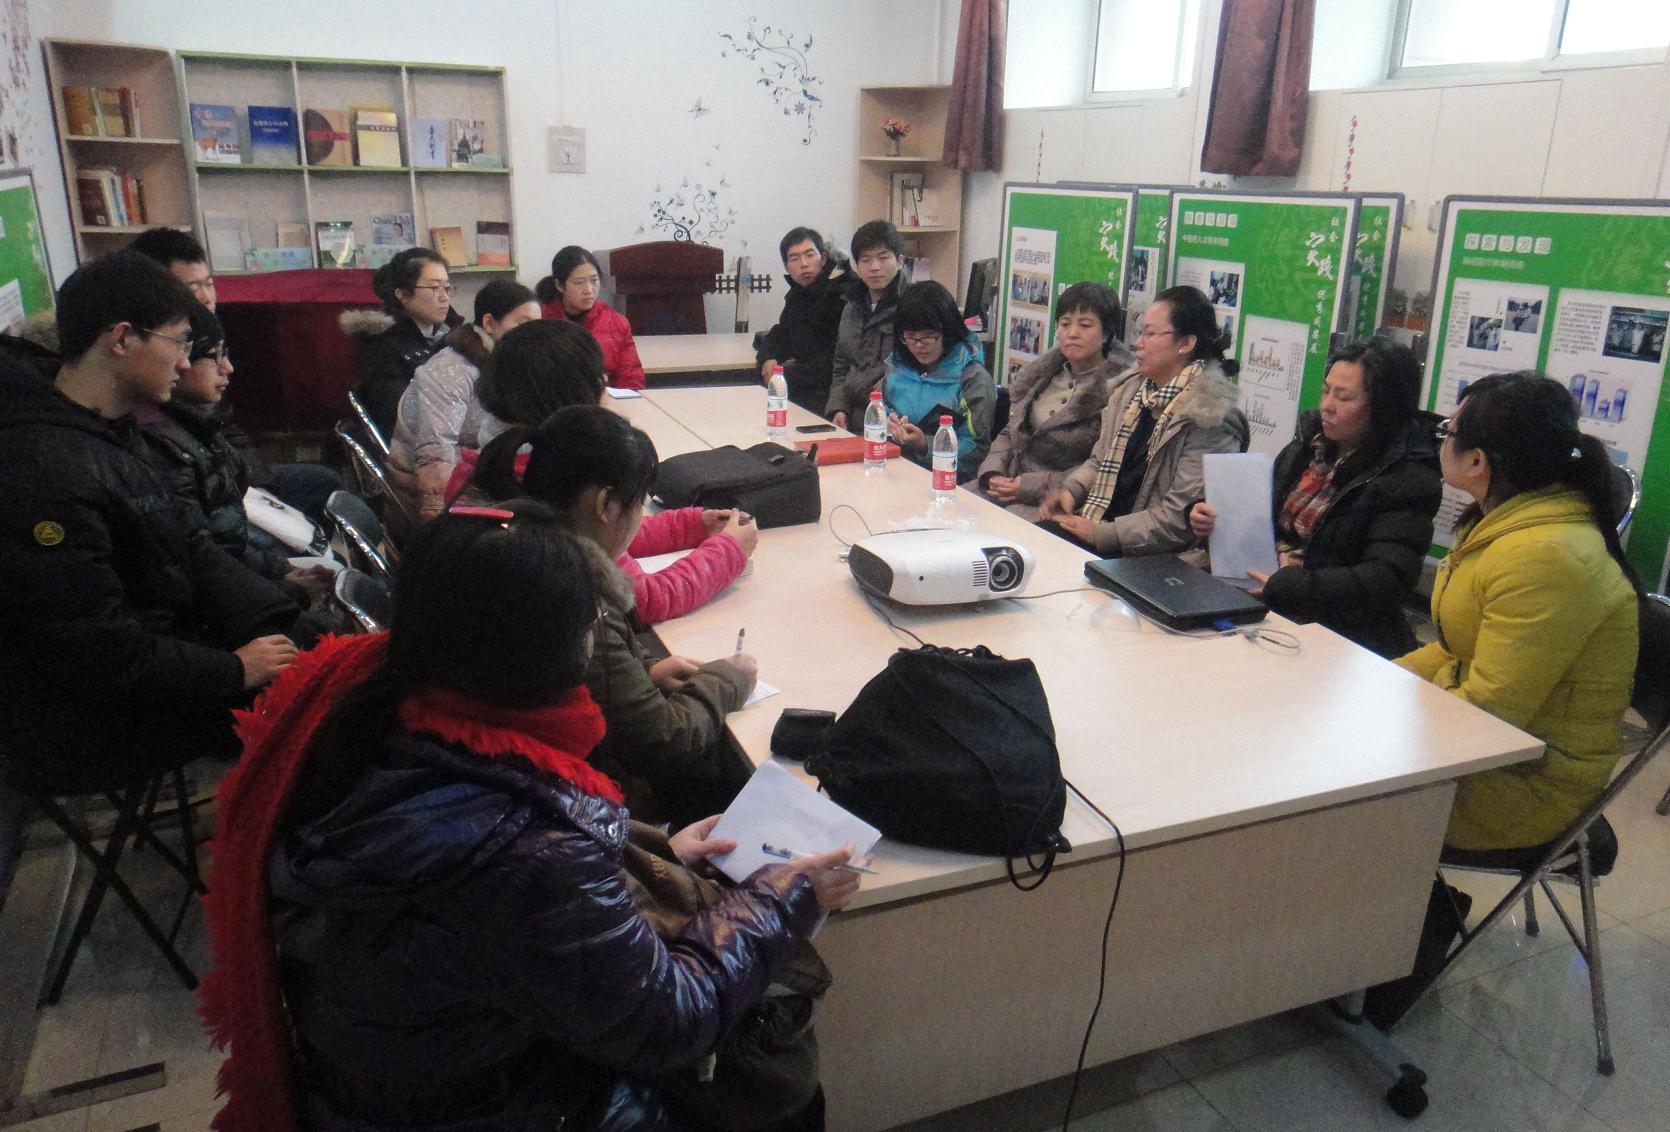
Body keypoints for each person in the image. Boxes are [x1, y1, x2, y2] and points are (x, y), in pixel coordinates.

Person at [198, 504, 856, 1131]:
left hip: (393, 1083)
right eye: (591, 624)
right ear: (545, 654)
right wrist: (781, 897)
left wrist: (656, 853)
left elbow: (504, 887)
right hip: (501, 1106)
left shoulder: (368, 718)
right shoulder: (522, 849)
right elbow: (668, 1023)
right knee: (781, 1089)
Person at [1362, 372, 1641, 1029]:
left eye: (1447, 431)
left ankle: (1372, 954)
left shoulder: (1547, 556)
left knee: (1334, 794)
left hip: (1531, 781)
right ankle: (1368, 938)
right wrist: (1367, 684)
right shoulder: (1510, 523)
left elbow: (1489, 715)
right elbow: (1457, 651)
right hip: (1505, 751)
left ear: (1478, 462)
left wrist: (1385, 705)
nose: (1441, 440)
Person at [0, 252, 300, 796]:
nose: (186, 364)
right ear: (122, 339)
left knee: (331, 655)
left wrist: (281, 608)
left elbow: (187, 541)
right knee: (332, 708)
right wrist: (234, 670)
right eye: (180, 342)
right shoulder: (46, 470)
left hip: (161, 657)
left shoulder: (107, 428)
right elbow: (92, 650)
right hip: (89, 724)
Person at [470, 406, 757, 825]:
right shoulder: (577, 597)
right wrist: (727, 679)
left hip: (508, 771)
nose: (640, 517)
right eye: (638, 503)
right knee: (729, 768)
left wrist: (645, 670)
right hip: (570, 800)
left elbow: (593, 678)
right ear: (605, 504)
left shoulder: (521, 542)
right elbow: (665, 741)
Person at [1185, 339, 1441, 657]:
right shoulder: (1308, 447)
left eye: (1343, 397)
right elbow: (1258, 517)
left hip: (1336, 636)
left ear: (1383, 406)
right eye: (1325, 391)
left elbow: (1386, 579)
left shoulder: (1409, 478)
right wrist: (1205, 517)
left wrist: (1290, 585)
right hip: (1265, 604)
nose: (1327, 406)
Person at [470, 401, 759, 627]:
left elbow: (630, 533)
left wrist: (695, 525)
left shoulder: (555, 518)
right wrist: (729, 550)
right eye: (637, 502)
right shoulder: (576, 566)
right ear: (605, 504)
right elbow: (651, 598)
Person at [129, 226, 342, 522]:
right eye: (192, 288)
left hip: (231, 478)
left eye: (209, 284)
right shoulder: (159, 367)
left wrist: (259, 489)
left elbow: (227, 434)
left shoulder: (206, 335)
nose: (206, 298)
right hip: (216, 493)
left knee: (320, 484)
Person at [135, 301, 335, 615]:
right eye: (213, 355)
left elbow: (226, 539)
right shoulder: (156, 438)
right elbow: (202, 561)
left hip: (237, 563)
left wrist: (280, 569)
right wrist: (287, 589)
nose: (227, 367)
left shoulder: (199, 418)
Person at [1039, 285, 1248, 557]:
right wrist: (1071, 492)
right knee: (1034, 542)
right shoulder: (1131, 391)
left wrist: (1102, 534)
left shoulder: (1209, 416)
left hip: (1150, 555)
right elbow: (1100, 461)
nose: (1138, 343)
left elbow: (1178, 519)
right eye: (1141, 332)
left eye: (1150, 334)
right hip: (1102, 528)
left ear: (1186, 343)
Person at [976, 282, 1136, 520]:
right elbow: (1011, 431)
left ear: (1106, 333)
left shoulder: (1120, 390)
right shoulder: (1041, 376)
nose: (1072, 333)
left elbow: (1100, 465)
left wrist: (1027, 487)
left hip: (1058, 500)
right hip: (1007, 484)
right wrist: (992, 472)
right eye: (1065, 323)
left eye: (1085, 325)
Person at [387, 279, 541, 521]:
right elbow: (435, 462)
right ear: (489, 323)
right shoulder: (451, 369)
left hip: (476, 476)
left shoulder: (507, 362)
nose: (534, 335)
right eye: (523, 324)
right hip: (432, 495)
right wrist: (438, 521)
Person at [445, 318, 609, 499]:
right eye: (598, 378)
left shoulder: (475, 471)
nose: (605, 382)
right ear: (572, 394)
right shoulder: (579, 482)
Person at [879, 280, 996, 483]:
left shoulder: (972, 378)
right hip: (897, 467)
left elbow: (976, 449)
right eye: (910, 337)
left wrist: (926, 445)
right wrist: (890, 424)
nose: (919, 346)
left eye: (928, 337)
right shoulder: (897, 366)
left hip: (948, 479)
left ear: (947, 331)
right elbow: (883, 409)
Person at [343, 247, 462, 439]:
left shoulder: (453, 336)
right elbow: (404, 412)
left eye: (447, 288)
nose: (444, 297)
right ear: (402, 294)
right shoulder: (381, 344)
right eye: (434, 288)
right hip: (412, 443)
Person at [756, 226, 848, 412]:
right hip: (805, 383)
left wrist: (786, 374)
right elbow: (782, 332)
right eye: (794, 258)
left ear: (823, 259)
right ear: (786, 266)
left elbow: (833, 357)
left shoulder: (841, 293)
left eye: (809, 255)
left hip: (831, 392)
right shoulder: (800, 293)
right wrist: (768, 357)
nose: (804, 264)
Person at [827, 220, 909, 429]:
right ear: (856, 265)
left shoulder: (913, 307)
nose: (874, 267)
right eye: (866, 260)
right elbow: (841, 366)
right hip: (853, 418)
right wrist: (839, 407)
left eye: (883, 258)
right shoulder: (850, 308)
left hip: (895, 420)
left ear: (900, 261)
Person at [536, 245, 646, 390]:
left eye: (594, 280)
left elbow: (631, 378)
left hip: (607, 400)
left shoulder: (617, 323)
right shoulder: (540, 322)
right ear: (560, 286)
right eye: (579, 282)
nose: (589, 290)